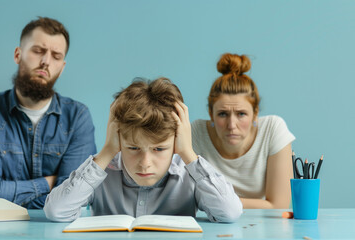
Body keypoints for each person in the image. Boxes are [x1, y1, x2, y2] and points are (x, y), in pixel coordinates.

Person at [44, 77, 242, 222]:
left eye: (159, 149)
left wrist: (188, 153)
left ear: (175, 142)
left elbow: (229, 212)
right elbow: (56, 211)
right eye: (133, 147)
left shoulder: (188, 174)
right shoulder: (101, 170)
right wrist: (107, 150)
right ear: (119, 140)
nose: (145, 162)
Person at [0, 17, 96, 208]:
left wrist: (2, 195)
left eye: (56, 56)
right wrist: (50, 183)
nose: (45, 62)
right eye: (38, 51)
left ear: (62, 67)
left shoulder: (78, 117)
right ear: (18, 55)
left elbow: (73, 199)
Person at [191, 53, 295, 209]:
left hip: (260, 226)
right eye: (223, 114)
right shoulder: (197, 133)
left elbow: (278, 205)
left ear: (255, 113)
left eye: (241, 114)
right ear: (211, 115)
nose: (231, 125)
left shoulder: (273, 130)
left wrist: (220, 203)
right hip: (211, 224)